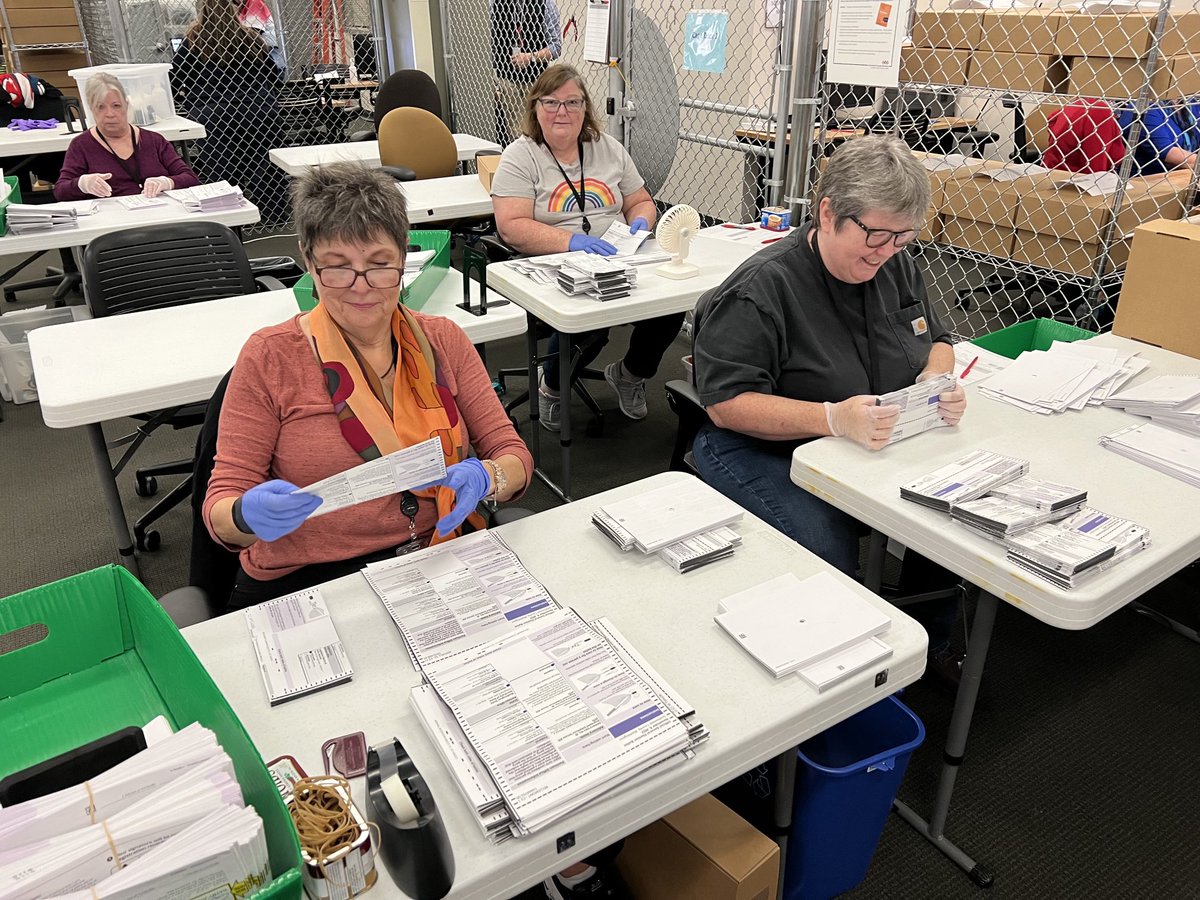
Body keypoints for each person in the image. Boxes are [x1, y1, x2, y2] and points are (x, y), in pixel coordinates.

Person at [691, 135, 968, 672]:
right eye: (876, 234)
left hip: (872, 435)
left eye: (903, 237)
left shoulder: (895, 264)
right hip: (761, 447)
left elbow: (938, 338)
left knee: (951, 516)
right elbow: (727, 404)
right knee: (828, 551)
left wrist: (936, 382)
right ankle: (838, 677)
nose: (887, 251)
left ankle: (930, 649)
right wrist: (831, 418)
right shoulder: (763, 288)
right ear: (827, 213)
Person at [203, 162, 533, 609]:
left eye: (380, 265)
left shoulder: (443, 340)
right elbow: (221, 508)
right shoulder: (270, 357)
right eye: (337, 268)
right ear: (308, 263)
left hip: (438, 552)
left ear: (404, 258)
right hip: (311, 578)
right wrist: (245, 515)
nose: (361, 287)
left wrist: (490, 475)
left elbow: (512, 455)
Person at [491, 65, 681, 430]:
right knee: (587, 319)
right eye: (551, 102)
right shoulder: (521, 155)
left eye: (572, 102)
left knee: (670, 306)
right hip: (553, 262)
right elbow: (510, 226)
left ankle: (629, 374)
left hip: (616, 255)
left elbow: (641, 200)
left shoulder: (608, 149)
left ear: (585, 109)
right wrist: (571, 241)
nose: (561, 111)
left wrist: (642, 220)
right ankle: (553, 388)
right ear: (536, 108)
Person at [172, 0, 291, 225]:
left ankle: (229, 218)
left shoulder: (193, 42)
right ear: (235, 10)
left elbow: (174, 79)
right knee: (264, 163)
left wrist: (187, 97)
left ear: (202, 11)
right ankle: (273, 216)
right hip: (258, 109)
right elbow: (274, 75)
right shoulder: (252, 39)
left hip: (211, 114)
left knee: (221, 167)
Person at [54, 72, 200, 201]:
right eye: (101, 107)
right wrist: (82, 184)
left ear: (127, 105)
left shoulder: (154, 141)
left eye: (116, 106)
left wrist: (166, 182)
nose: (109, 114)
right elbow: (60, 191)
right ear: (91, 109)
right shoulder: (81, 145)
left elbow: (190, 178)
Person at [490, 0, 561, 145]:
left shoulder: (546, 4)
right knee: (506, 134)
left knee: (532, 134)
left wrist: (531, 57)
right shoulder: (494, 3)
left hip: (534, 81)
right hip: (504, 79)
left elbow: (556, 47)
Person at [1117, 100, 1200, 176]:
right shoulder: (1146, 107)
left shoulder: (1191, 103)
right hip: (1147, 181)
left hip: (1182, 176)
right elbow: (1167, 153)